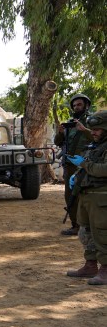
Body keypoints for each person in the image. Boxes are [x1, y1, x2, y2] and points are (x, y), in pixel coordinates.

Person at [64, 110, 107, 284]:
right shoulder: (96, 145)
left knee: (102, 234)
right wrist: (78, 176)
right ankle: (90, 265)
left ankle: (105, 269)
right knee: (85, 232)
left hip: (102, 197)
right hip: (87, 195)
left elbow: (103, 169)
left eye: (97, 129)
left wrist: (83, 164)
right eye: (92, 129)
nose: (93, 132)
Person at [54, 93, 93, 235]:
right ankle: (75, 224)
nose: (77, 107)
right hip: (70, 165)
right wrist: (60, 133)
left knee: (87, 194)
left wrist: (84, 129)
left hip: (86, 164)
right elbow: (58, 142)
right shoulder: (70, 123)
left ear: (86, 105)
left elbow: (99, 137)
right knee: (70, 195)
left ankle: (88, 225)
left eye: (79, 104)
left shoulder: (92, 121)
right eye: (74, 105)